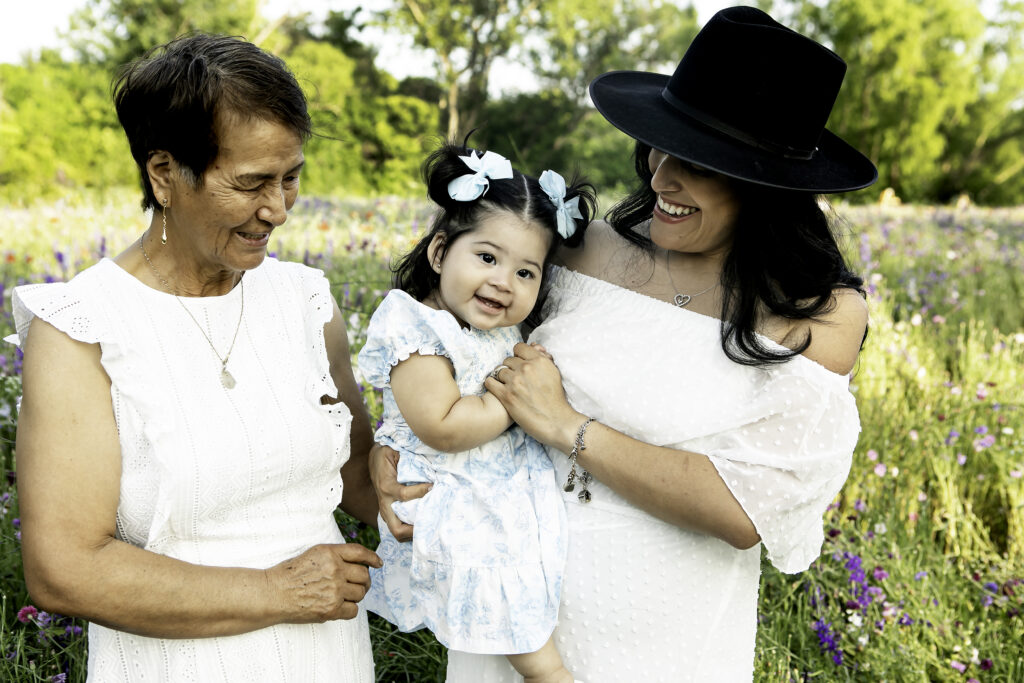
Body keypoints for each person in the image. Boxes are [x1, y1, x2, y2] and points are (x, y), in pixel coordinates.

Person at [371, 7, 878, 681]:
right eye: (662, 146)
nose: (662, 176)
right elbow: (446, 329)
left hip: (662, 634)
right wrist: (396, 437)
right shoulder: (583, 251)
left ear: (766, 188)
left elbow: (742, 508)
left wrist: (566, 425)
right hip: (516, 613)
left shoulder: (817, 312)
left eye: (699, 164)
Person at [12, 34, 383, 681]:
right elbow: (63, 568)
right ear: (164, 174)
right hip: (177, 661)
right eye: (250, 184)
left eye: (291, 177)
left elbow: (358, 480)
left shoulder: (306, 301)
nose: (277, 209)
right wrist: (278, 590)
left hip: (326, 656)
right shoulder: (82, 328)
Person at [358, 141, 595, 683]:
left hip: (495, 502)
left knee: (525, 602)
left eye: (526, 273)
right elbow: (442, 425)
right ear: (440, 253)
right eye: (487, 258)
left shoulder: (501, 330)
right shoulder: (416, 326)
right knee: (527, 641)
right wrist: (516, 403)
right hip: (454, 504)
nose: (503, 282)